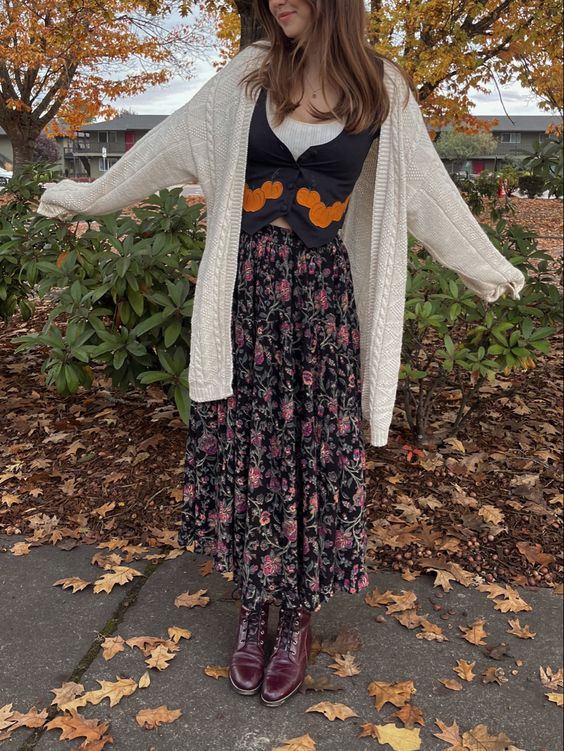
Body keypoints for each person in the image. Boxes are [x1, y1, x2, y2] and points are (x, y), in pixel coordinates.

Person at [35, 0, 526, 709]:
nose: (276, 2)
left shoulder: (381, 89)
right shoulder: (248, 77)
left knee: (309, 451)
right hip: (245, 298)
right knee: (252, 447)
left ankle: (295, 615)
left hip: (322, 307)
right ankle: (252, 602)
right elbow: (165, 147)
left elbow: (427, 193)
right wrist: (86, 197)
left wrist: (487, 268)